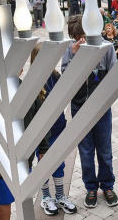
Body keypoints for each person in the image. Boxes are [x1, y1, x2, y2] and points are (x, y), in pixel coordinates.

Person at [61, 15, 118, 208]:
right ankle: (91, 188)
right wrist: (76, 58)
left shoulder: (107, 47)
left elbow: (114, 77)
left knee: (104, 150)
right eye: (77, 37)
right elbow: (66, 79)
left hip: (101, 107)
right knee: (85, 151)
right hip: (79, 106)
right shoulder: (70, 49)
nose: (81, 41)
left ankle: (107, 186)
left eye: (83, 36)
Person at [0, 71, 51, 219]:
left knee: (24, 197)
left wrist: (43, 147)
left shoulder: (30, 91)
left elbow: (41, 121)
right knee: (4, 200)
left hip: (24, 156)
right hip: (2, 160)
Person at [31, 43, 78, 216]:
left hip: (58, 128)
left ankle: (59, 195)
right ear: (37, 58)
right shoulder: (33, 82)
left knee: (59, 162)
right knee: (43, 164)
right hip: (41, 134)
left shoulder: (56, 76)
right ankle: (45, 197)